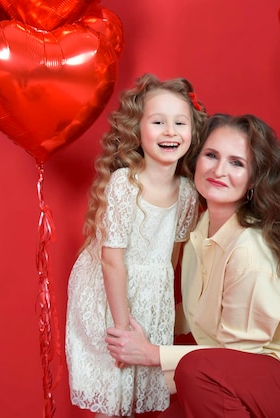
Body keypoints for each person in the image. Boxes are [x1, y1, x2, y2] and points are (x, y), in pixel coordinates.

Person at [106, 113, 280, 418]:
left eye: (237, 163)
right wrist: (137, 322)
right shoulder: (201, 228)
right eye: (211, 155)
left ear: (254, 180)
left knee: (197, 370)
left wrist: (151, 353)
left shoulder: (248, 249)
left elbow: (234, 357)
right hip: (232, 375)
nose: (219, 170)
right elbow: (200, 312)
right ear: (196, 159)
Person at [65, 73, 208, 418]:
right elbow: (112, 261)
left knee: (133, 395)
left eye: (179, 122)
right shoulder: (124, 185)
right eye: (158, 122)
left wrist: (168, 305)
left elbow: (173, 254)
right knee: (114, 390)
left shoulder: (188, 193)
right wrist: (122, 329)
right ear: (138, 130)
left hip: (150, 294)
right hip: (111, 293)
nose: (170, 131)